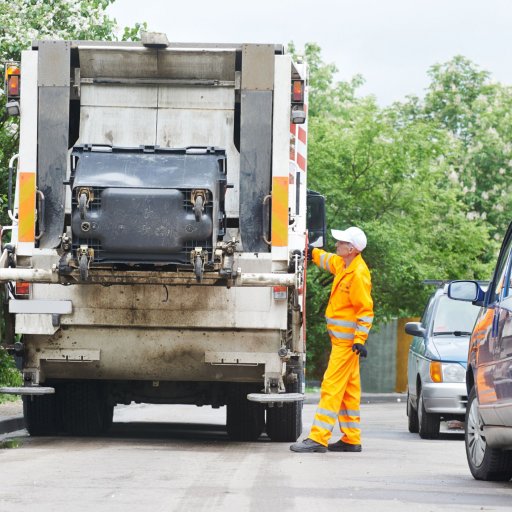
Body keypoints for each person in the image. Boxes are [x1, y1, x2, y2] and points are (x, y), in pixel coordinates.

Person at [290, 226, 374, 453]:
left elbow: (365, 310)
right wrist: (312, 253)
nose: (336, 244)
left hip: (347, 345)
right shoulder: (345, 265)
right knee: (348, 391)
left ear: (352, 249)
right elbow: (328, 260)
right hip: (343, 342)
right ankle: (351, 438)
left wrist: (360, 339)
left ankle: (318, 438)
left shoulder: (358, 274)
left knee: (331, 387)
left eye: (341, 242)